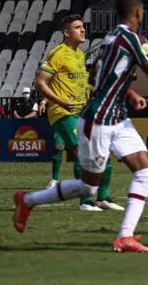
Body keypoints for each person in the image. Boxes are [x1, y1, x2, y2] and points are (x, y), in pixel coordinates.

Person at [13, 0, 148, 253]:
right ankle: (28, 200)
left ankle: (125, 236)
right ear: (138, 13)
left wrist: (128, 92)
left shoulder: (109, 39)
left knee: (145, 171)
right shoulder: (133, 39)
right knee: (88, 186)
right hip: (99, 120)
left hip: (117, 117)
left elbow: (94, 77)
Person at [37, 14, 123, 211]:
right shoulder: (57, 54)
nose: (83, 30)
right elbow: (40, 82)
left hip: (82, 112)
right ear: (66, 33)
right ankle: (85, 201)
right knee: (83, 153)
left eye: (83, 26)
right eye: (77, 27)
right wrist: (60, 101)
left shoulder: (80, 54)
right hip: (63, 112)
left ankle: (103, 198)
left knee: (102, 151)